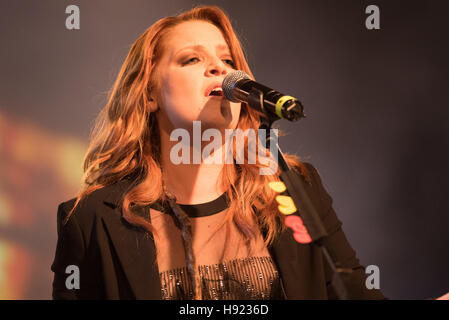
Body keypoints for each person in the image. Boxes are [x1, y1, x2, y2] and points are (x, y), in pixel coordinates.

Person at [51, 5, 387, 300]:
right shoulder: (91, 220)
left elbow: (354, 292)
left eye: (227, 60)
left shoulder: (295, 189)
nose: (220, 69)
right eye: (192, 59)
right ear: (149, 94)